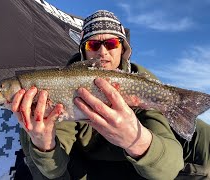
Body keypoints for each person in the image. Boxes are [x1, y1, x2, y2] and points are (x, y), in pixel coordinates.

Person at [11, 10, 210, 179]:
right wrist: (44, 144)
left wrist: (136, 139)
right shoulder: (64, 86)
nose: (103, 53)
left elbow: (169, 168)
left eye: (112, 43)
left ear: (123, 49)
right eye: (93, 45)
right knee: (30, 138)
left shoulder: (141, 85)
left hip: (137, 165)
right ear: (83, 50)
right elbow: (52, 173)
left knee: (203, 132)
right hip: (87, 163)